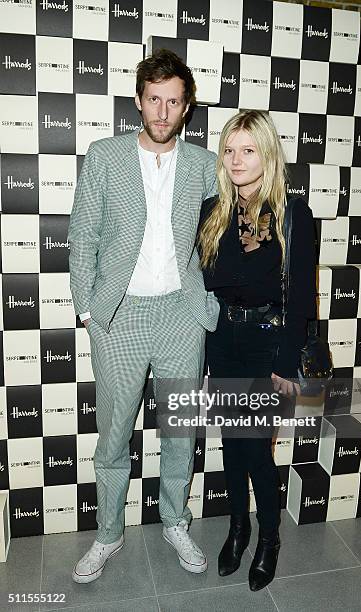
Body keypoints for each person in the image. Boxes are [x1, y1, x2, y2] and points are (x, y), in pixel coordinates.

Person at [68, 49, 219, 583]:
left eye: (173, 102)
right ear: (138, 101)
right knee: (113, 434)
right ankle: (108, 533)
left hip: (182, 315)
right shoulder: (104, 156)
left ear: (186, 108)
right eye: (153, 99)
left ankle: (175, 521)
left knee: (180, 431)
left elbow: (221, 238)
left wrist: (211, 306)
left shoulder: (205, 165)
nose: (162, 112)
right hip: (120, 317)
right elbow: (82, 235)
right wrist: (88, 310)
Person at [198, 110, 317, 591]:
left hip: (268, 345)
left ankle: (268, 539)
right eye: (228, 150)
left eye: (247, 150)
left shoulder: (294, 214)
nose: (235, 160)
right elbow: (209, 281)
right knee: (232, 445)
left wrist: (284, 365)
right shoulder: (214, 211)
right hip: (224, 340)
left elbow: (303, 295)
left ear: (267, 153)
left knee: (257, 452)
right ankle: (238, 528)